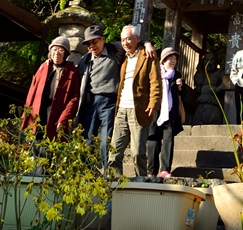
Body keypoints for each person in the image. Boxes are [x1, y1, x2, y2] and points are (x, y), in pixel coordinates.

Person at [76, 23, 156, 166]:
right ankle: (87, 173)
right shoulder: (85, 60)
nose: (92, 46)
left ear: (103, 39)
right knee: (87, 139)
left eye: (95, 42)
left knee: (106, 140)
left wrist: (148, 44)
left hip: (110, 101)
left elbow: (132, 41)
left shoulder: (115, 50)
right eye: (88, 44)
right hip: (90, 102)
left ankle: (107, 173)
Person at [108, 25, 160, 178]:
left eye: (129, 39)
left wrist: (154, 103)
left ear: (137, 39)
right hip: (121, 109)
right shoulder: (122, 55)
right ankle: (115, 183)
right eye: (123, 40)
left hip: (139, 109)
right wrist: (146, 41)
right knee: (114, 152)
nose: (125, 43)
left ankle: (141, 182)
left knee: (138, 152)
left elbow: (155, 81)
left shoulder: (147, 55)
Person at [22, 35, 80, 139]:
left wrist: (64, 118)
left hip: (57, 111)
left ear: (66, 53)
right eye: (55, 49)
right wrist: (26, 114)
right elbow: (32, 91)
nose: (57, 53)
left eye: (61, 50)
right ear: (50, 51)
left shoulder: (72, 72)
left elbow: (74, 98)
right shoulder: (44, 67)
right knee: (35, 142)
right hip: (39, 110)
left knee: (51, 143)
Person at [147, 46, 184, 180]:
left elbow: (183, 95)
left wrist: (180, 87)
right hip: (155, 111)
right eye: (170, 59)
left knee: (168, 141)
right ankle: (151, 170)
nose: (173, 61)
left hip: (170, 113)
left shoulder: (177, 75)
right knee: (153, 141)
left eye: (175, 59)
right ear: (163, 61)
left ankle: (165, 169)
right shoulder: (155, 73)